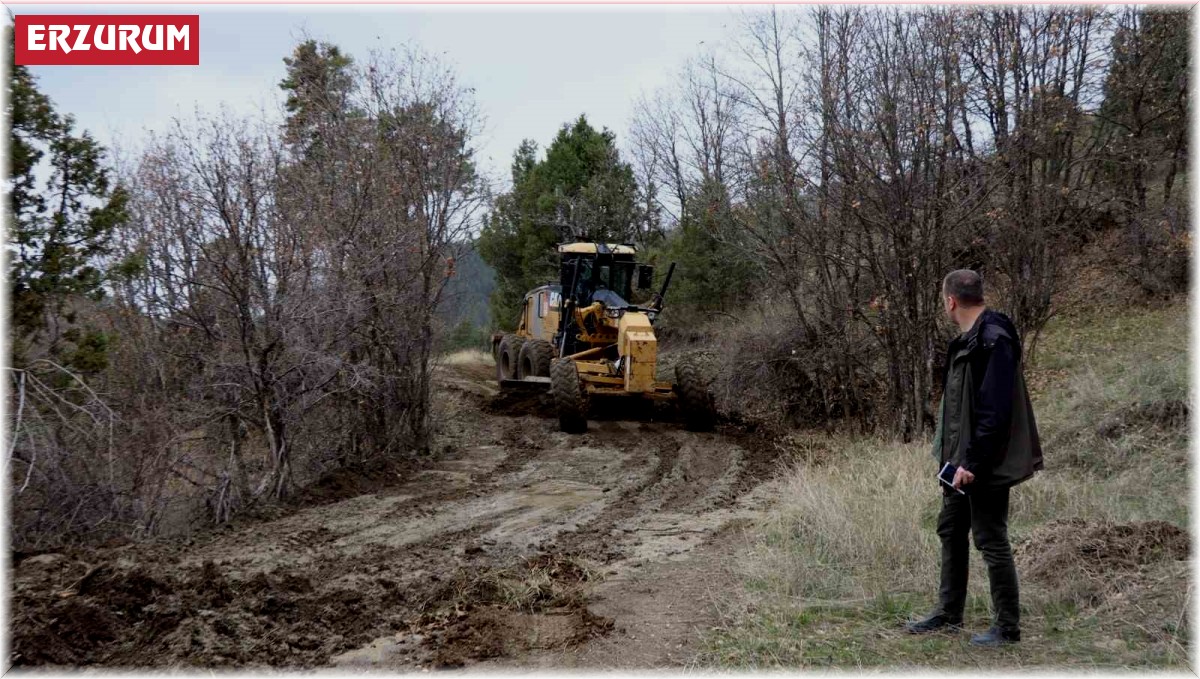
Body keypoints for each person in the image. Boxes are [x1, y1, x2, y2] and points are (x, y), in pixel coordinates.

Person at [905, 269, 1044, 647]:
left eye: (942, 300)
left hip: (983, 464)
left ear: (950, 300)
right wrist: (950, 462)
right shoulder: (968, 340)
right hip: (957, 461)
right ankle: (948, 614)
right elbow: (958, 410)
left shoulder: (993, 340)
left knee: (990, 538)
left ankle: (1008, 628)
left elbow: (994, 412)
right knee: (951, 529)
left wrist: (973, 464)